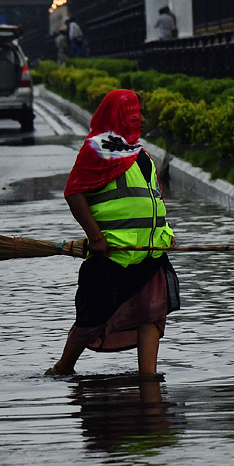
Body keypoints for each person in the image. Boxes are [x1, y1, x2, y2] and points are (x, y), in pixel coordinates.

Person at [47, 89, 180, 380]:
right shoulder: (98, 149)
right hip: (113, 254)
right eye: (136, 113)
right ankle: (63, 368)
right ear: (121, 116)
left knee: (151, 313)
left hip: (150, 253)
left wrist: (164, 234)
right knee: (90, 319)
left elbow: (153, 199)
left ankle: (149, 376)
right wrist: (95, 237)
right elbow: (74, 192)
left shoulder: (140, 153)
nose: (142, 119)